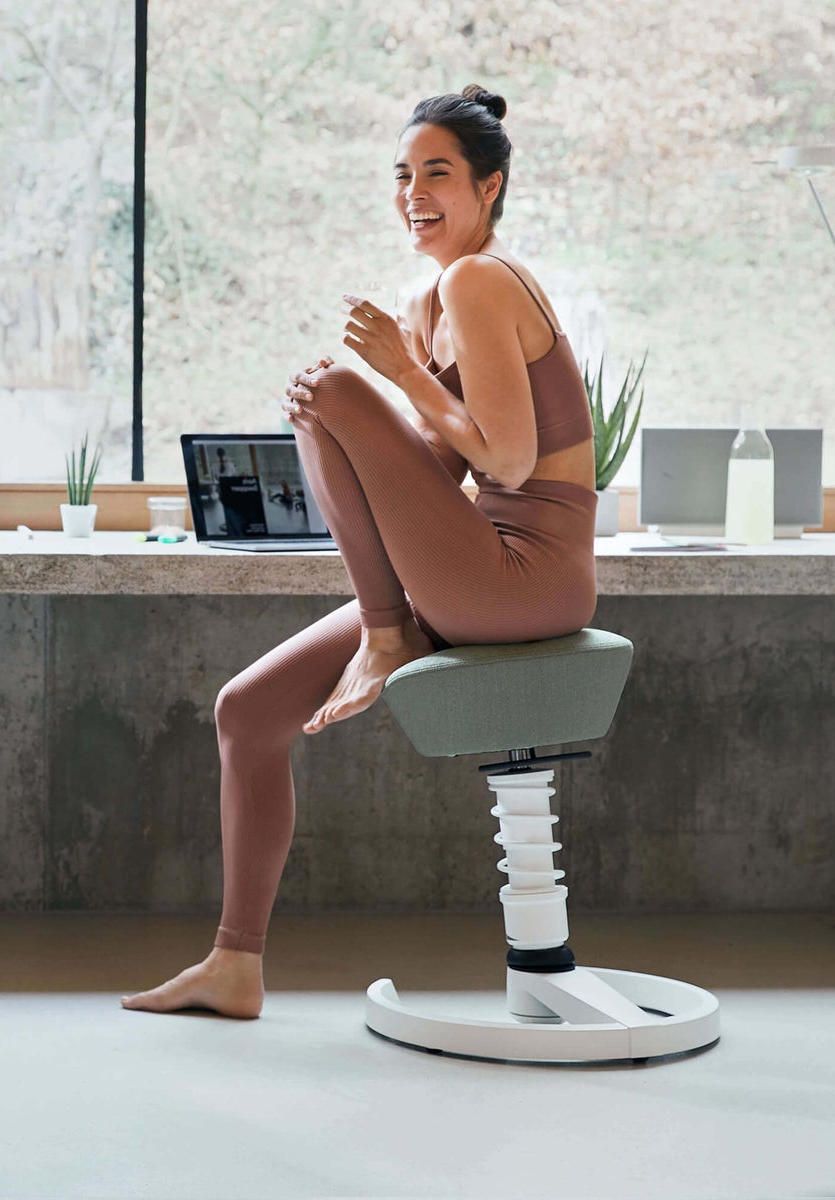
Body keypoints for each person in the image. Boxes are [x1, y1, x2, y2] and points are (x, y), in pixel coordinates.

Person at [122, 84, 598, 1019]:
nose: (415, 192)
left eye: (439, 174)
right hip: (478, 562)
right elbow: (435, 474)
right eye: (404, 174)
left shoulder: (481, 280)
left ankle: (388, 631)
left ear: (490, 188)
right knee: (247, 711)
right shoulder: (432, 296)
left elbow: (505, 458)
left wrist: (390, 373)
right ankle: (234, 965)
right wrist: (364, 409)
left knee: (334, 384)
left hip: (527, 574)